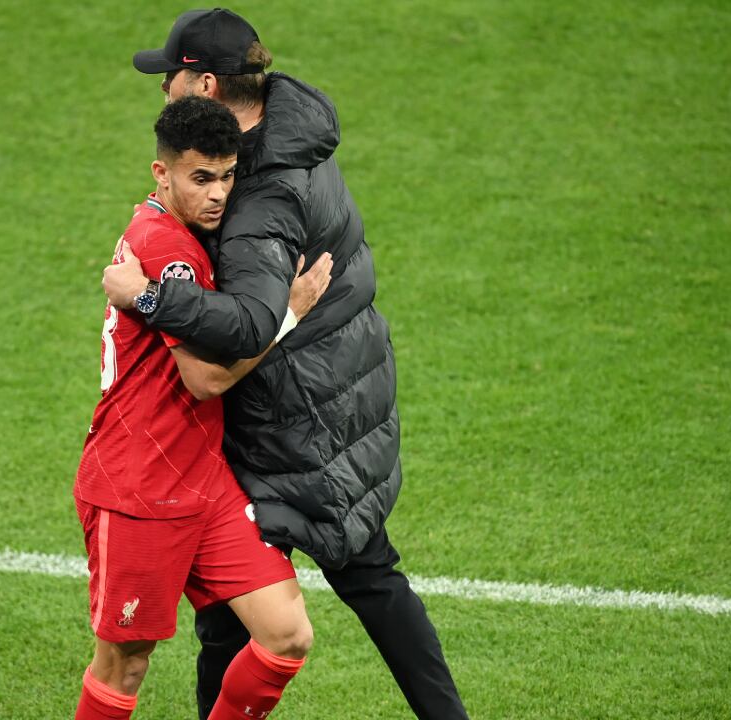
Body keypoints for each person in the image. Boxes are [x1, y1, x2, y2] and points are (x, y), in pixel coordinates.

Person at [103, 9, 471, 720]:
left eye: (171, 79)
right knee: (368, 576)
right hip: (343, 391)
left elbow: (245, 327)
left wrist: (146, 294)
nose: (164, 93)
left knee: (229, 618)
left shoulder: (258, 196)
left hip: (290, 418)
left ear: (207, 83)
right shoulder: (290, 125)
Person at [74, 95, 334, 720]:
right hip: (138, 486)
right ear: (161, 173)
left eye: (227, 176)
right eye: (201, 178)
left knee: (287, 634)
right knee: (125, 665)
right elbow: (205, 379)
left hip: (201, 475)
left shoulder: (185, 234)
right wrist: (290, 313)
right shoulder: (168, 249)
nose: (219, 194)